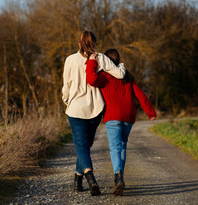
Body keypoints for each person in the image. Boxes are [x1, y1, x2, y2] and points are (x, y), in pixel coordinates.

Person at [62, 31, 126, 195]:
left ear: (79, 43)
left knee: (82, 145)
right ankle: (81, 179)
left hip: (75, 109)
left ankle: (86, 176)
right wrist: (122, 65)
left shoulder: (70, 60)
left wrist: (66, 100)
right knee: (85, 144)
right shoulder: (101, 58)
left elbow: (66, 85)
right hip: (95, 108)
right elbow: (119, 74)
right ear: (95, 43)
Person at [86, 48, 156, 196]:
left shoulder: (103, 76)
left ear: (105, 61)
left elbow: (91, 80)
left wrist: (92, 62)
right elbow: (140, 95)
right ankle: (120, 178)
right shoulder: (127, 76)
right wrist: (150, 112)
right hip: (129, 116)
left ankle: (118, 176)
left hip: (113, 116)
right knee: (123, 146)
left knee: (115, 147)